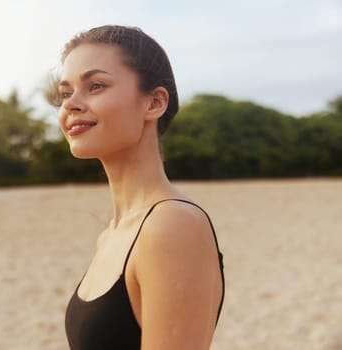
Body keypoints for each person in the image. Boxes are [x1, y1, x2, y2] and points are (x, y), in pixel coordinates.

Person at [47, 25, 225, 350]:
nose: (71, 104)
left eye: (95, 85)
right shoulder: (114, 232)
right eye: (65, 92)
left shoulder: (172, 225)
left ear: (154, 103)